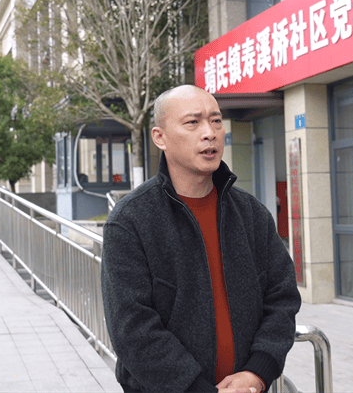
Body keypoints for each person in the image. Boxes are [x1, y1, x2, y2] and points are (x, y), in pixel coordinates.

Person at [101, 85, 301, 393]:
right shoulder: (130, 221)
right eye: (193, 122)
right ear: (160, 137)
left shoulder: (251, 213)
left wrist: (257, 372)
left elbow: (282, 297)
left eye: (216, 121)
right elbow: (132, 328)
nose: (210, 133)